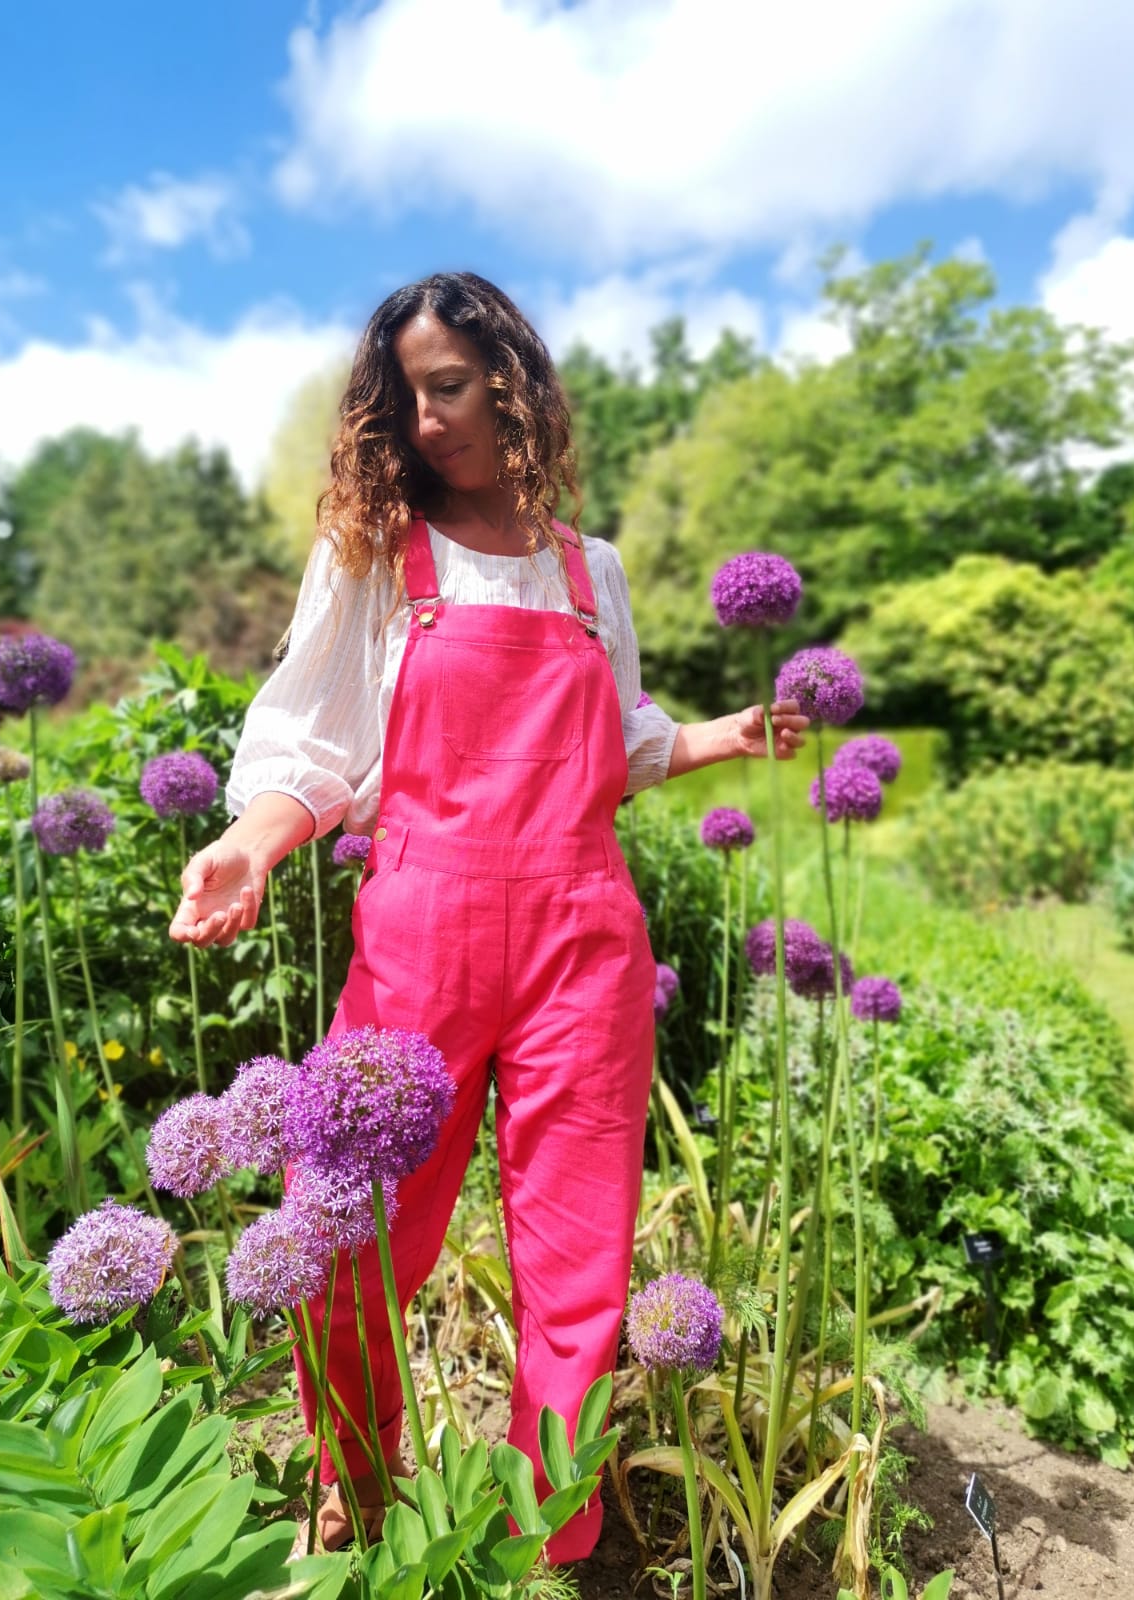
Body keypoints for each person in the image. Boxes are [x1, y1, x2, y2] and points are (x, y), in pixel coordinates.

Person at [169, 272, 808, 1562]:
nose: (426, 419)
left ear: (512, 383)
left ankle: (540, 1542)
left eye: (448, 386)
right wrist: (247, 845)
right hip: (420, 932)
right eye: (403, 399)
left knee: (578, 1265)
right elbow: (315, 745)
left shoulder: (592, 572)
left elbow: (616, 743)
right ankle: (359, 1478)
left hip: (585, 937)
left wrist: (726, 738)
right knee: (343, 1221)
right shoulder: (375, 561)